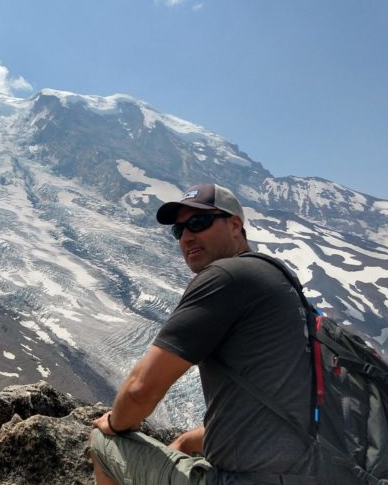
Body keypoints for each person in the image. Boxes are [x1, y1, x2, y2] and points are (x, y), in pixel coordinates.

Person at [90, 184, 315, 484]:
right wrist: (185, 442)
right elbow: (267, 411)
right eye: (179, 230)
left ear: (235, 225)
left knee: (103, 443)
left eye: (199, 223)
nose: (186, 237)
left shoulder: (225, 277)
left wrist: (114, 425)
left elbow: (141, 390)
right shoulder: (282, 281)